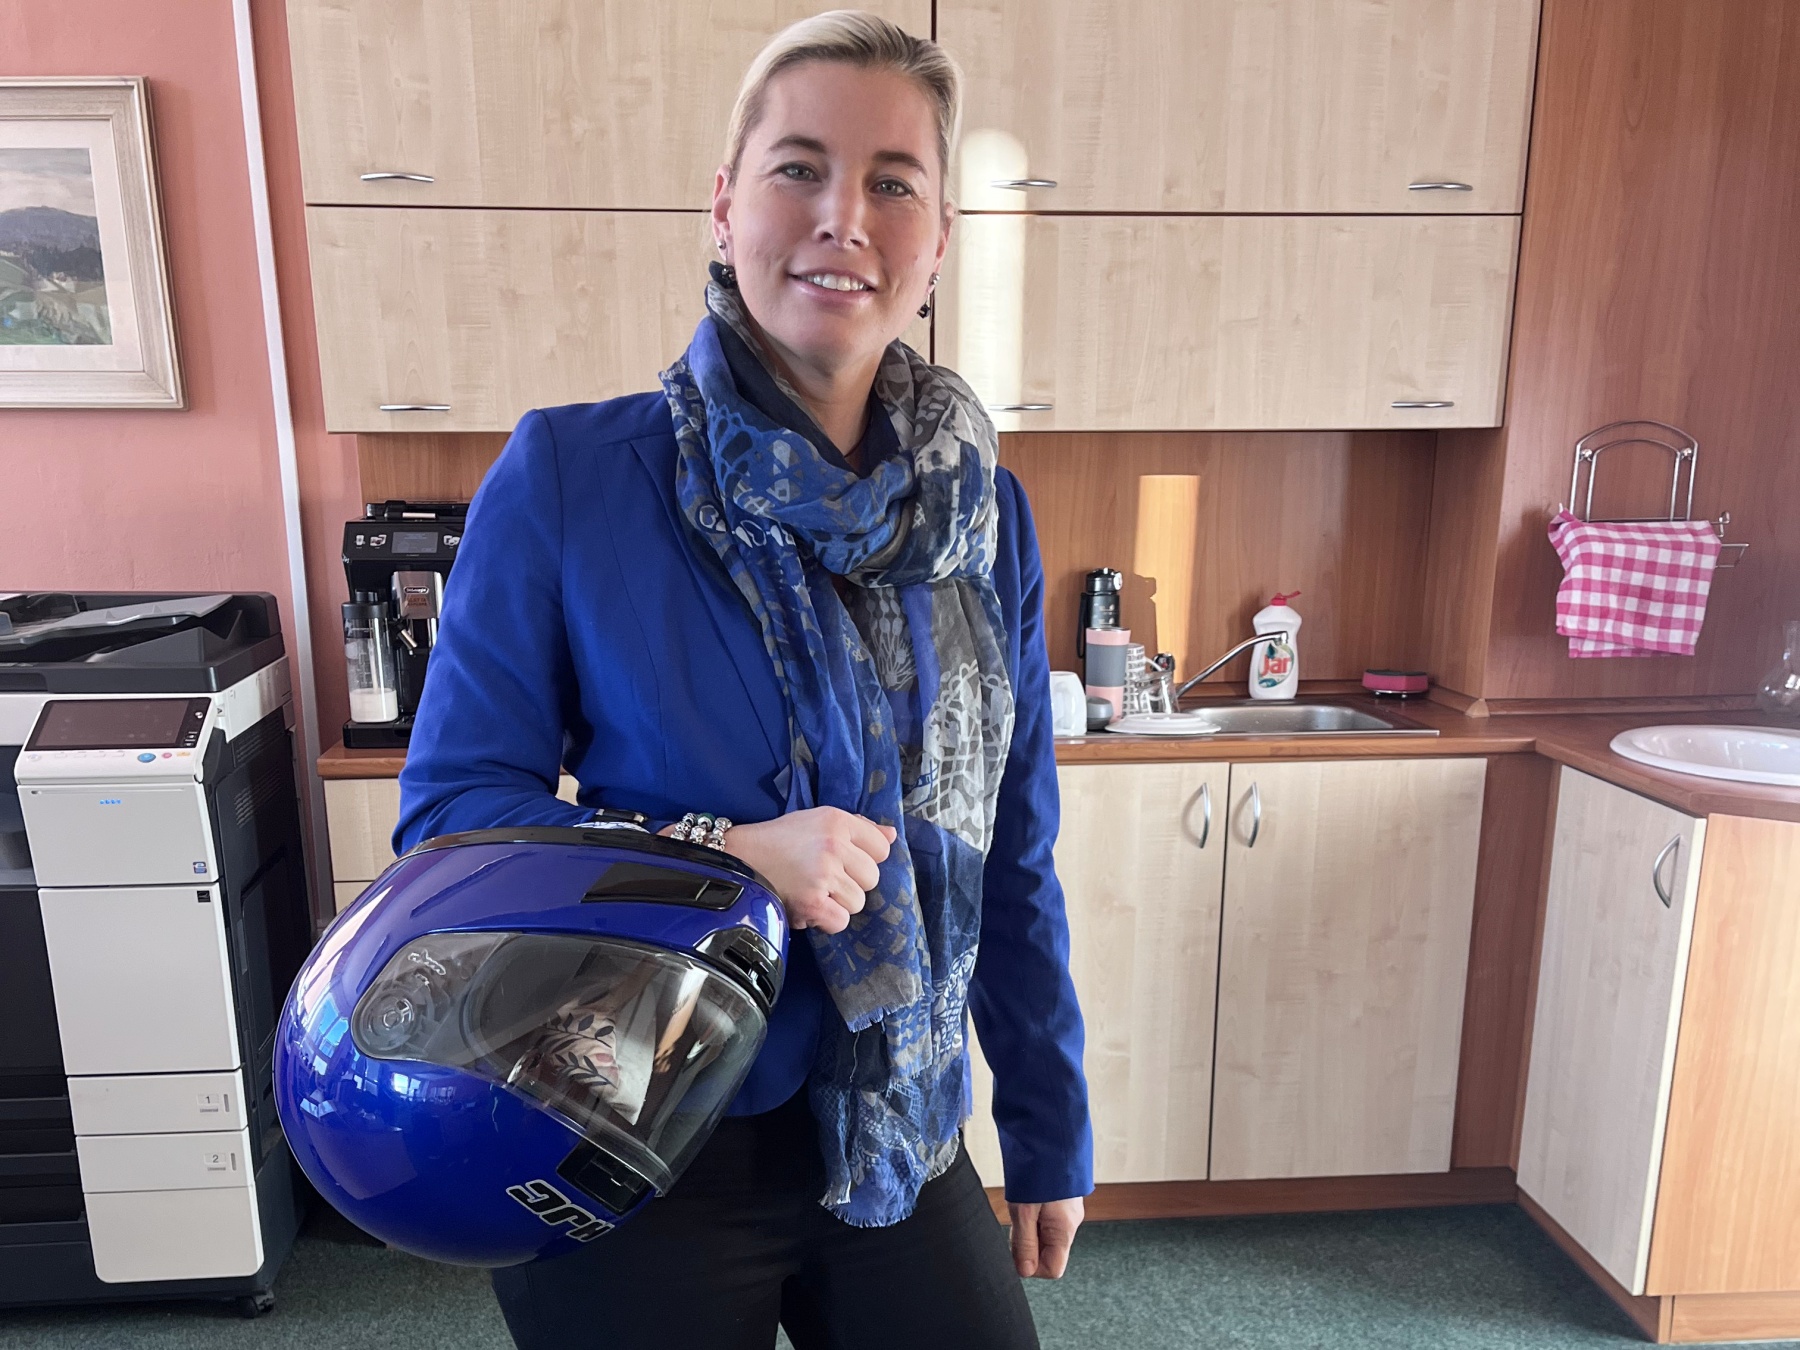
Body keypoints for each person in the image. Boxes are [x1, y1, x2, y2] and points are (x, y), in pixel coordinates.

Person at [394, 11, 1091, 1348]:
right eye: (799, 169)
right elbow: (453, 825)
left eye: (894, 182)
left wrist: (1048, 1122)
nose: (845, 217)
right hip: (629, 1115)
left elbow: (1011, 847)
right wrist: (725, 857)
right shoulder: (574, 478)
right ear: (725, 207)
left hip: (895, 1116)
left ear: (939, 242)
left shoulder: (983, 517)